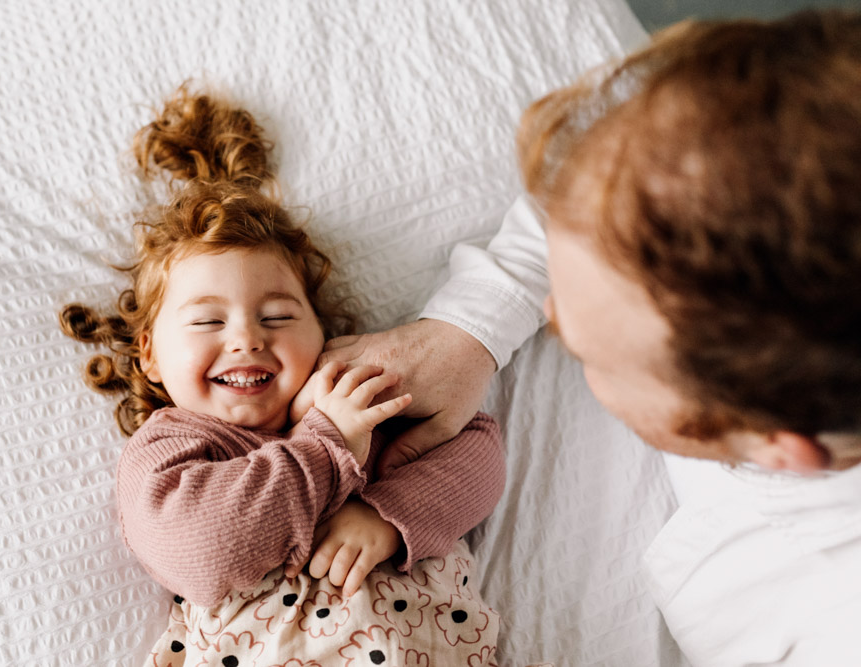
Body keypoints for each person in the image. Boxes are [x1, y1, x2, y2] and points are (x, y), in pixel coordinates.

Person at [322, 9, 861, 666]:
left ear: (778, 446)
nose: (550, 310)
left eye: (589, 353)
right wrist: (470, 328)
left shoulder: (825, 618)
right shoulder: (758, 138)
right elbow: (595, 196)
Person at [59, 87, 506, 665]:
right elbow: (199, 548)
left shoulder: (353, 396)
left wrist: (389, 513)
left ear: (321, 332)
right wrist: (326, 446)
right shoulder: (177, 446)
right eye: (207, 320)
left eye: (277, 316)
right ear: (149, 354)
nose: (246, 337)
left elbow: (476, 445)